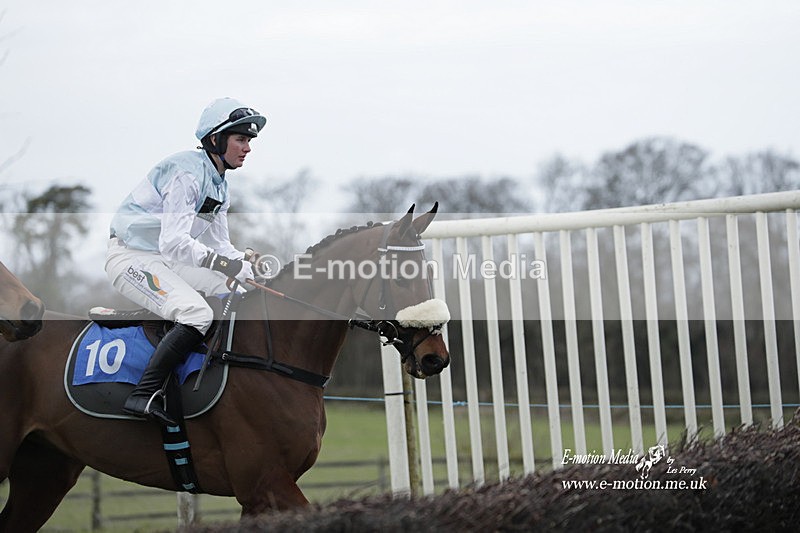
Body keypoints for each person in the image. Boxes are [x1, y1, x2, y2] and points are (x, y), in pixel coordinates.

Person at [105, 97, 266, 425]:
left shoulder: (220, 183)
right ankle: (143, 394)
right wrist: (227, 265)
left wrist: (251, 270)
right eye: (240, 139)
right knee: (196, 312)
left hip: (165, 259)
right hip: (132, 257)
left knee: (241, 285)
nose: (247, 148)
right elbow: (176, 242)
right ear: (215, 140)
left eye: (248, 140)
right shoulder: (186, 172)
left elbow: (222, 246)